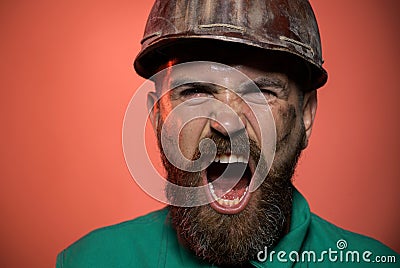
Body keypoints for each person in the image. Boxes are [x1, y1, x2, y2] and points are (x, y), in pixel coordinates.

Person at [56, 0, 398, 267]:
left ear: (306, 116)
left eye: (261, 92)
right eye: (195, 92)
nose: (227, 123)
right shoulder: (90, 262)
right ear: (157, 115)